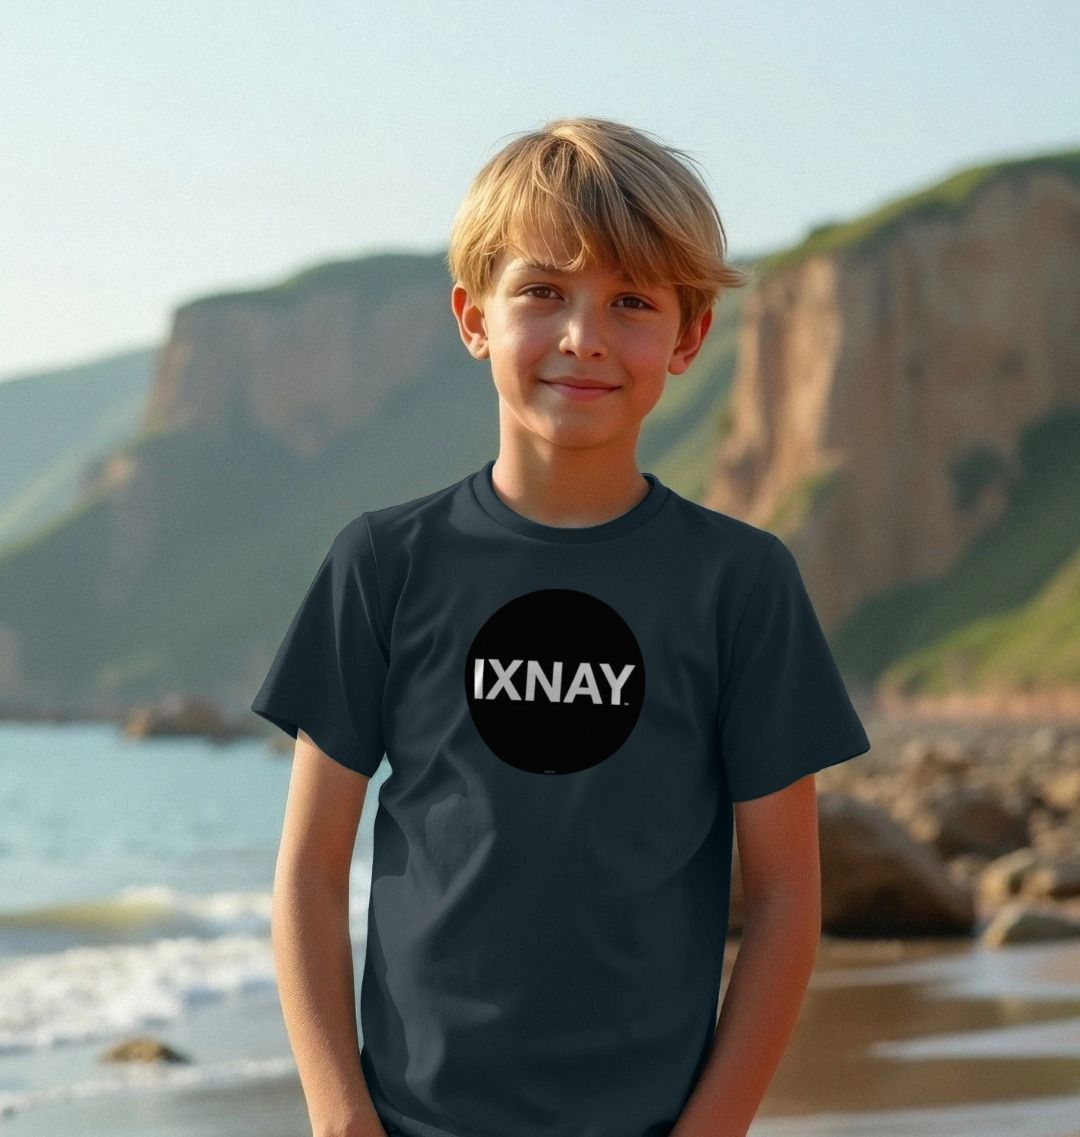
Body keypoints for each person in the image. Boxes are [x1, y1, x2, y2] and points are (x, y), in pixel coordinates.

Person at [251, 116, 871, 1137]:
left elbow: (785, 899)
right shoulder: (384, 564)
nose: (583, 335)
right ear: (474, 317)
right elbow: (311, 872)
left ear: (689, 337)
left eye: (631, 301)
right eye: (543, 292)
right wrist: (340, 1118)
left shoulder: (741, 582)